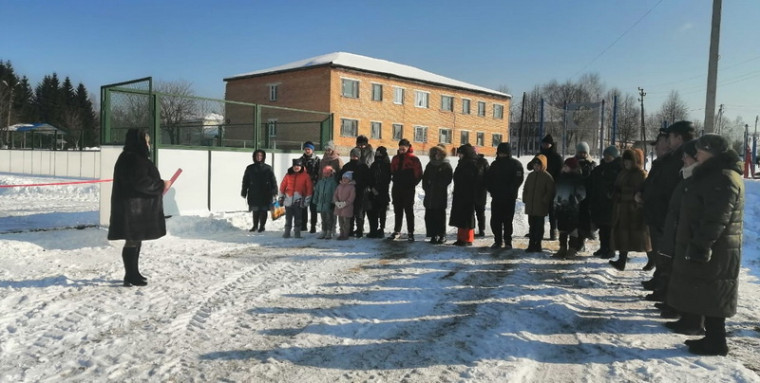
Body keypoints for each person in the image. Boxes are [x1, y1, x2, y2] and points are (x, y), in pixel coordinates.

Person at [666, 134, 743, 356]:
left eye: (700, 150)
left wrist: (702, 245)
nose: (696, 153)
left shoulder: (724, 178)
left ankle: (717, 342)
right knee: (709, 293)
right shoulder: (714, 175)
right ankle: (712, 339)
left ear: (711, 151)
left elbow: (716, 218)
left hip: (717, 248)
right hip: (714, 246)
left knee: (715, 293)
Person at [108, 128, 170, 287]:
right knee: (132, 241)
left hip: (134, 208)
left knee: (134, 240)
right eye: (147, 141)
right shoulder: (133, 159)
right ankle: (130, 274)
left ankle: (133, 273)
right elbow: (141, 183)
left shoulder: (130, 157)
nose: (148, 145)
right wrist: (161, 185)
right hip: (133, 209)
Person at [640, 121, 694, 299]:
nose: (665, 143)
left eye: (669, 138)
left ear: (678, 137)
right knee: (661, 252)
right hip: (660, 212)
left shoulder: (681, 157)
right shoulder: (670, 159)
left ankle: (667, 291)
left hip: (666, 213)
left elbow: (668, 187)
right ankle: (662, 284)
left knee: (667, 255)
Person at [657, 139, 705, 332]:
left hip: (690, 235)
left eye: (687, 156)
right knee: (680, 274)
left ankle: (692, 320)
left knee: (691, 279)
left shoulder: (699, 180)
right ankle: (684, 313)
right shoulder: (687, 177)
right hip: (679, 231)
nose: (683, 159)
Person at [609, 149, 651, 270]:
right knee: (623, 237)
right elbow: (618, 187)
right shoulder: (623, 173)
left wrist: (623, 195)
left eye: (629, 161)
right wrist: (613, 193)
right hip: (622, 210)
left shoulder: (640, 174)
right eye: (625, 161)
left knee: (642, 238)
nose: (627, 164)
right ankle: (621, 261)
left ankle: (652, 259)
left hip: (634, 211)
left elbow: (639, 192)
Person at [485, 142, 524, 250]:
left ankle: (508, 241)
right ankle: (497, 240)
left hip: (509, 197)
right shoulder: (494, 165)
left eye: (504, 153)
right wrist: (491, 189)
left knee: (507, 220)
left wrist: (511, 190)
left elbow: (518, 179)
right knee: (495, 220)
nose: (501, 155)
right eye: (500, 153)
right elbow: (488, 179)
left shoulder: (515, 164)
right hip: (497, 197)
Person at [588, 145, 622, 258]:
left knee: (610, 228)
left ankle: (610, 249)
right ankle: (603, 247)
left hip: (611, 203)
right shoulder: (600, 169)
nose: (607, 158)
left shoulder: (618, 169)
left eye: (610, 156)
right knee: (602, 227)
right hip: (600, 202)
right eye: (606, 156)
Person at [528, 134, 562, 240]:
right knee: (538, 210)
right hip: (539, 186)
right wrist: (534, 162)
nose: (545, 145)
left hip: (552, 186)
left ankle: (554, 230)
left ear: (551, 145)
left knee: (552, 210)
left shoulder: (557, 157)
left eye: (547, 144)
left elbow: (560, 174)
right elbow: (529, 166)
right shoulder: (539, 155)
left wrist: (556, 186)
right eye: (543, 144)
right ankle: (536, 230)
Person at [389, 138, 423, 241]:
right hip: (397, 187)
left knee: (409, 210)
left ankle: (410, 232)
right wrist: (393, 177)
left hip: (408, 188)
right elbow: (391, 170)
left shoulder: (414, 159)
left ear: (408, 148)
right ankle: (397, 230)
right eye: (400, 147)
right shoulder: (395, 158)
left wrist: (412, 183)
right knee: (397, 210)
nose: (401, 149)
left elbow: (419, 174)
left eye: (404, 147)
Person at [553, 157, 586, 259]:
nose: (564, 168)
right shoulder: (561, 177)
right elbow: (557, 190)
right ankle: (562, 248)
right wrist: (555, 201)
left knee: (572, 229)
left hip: (572, 208)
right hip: (561, 207)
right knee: (562, 228)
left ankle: (572, 248)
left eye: (566, 166)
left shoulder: (578, 178)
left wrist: (575, 199)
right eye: (564, 166)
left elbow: (582, 193)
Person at [449, 144, 481, 246]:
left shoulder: (472, 163)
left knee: (467, 217)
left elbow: (474, 180)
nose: (459, 156)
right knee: (460, 216)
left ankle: (468, 239)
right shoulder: (462, 162)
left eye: (460, 154)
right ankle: (460, 238)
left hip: (468, 194)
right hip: (460, 193)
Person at [522, 154, 555, 252]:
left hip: (540, 206)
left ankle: (538, 244)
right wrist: (525, 198)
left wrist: (544, 201)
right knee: (532, 226)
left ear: (543, 165)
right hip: (531, 206)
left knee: (539, 227)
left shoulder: (547, 177)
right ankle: (531, 244)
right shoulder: (531, 175)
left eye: (538, 165)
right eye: (534, 165)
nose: (536, 166)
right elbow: (526, 188)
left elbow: (550, 191)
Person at [241, 149, 278, 233]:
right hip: (254, 192)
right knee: (255, 210)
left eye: (261, 155)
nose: (259, 157)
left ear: (263, 157)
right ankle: (255, 226)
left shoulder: (268, 168)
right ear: (254, 157)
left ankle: (262, 226)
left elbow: (273, 180)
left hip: (266, 193)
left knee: (263, 210)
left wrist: (274, 191)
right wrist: (244, 191)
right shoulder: (250, 168)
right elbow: (245, 180)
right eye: (257, 155)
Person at [422, 145, 453, 244]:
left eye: (439, 153)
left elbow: (447, 179)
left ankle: (441, 235)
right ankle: (432, 235)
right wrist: (427, 187)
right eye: (435, 153)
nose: (437, 155)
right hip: (430, 195)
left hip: (440, 194)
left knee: (439, 215)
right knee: (429, 215)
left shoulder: (446, 165)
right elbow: (425, 178)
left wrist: (437, 184)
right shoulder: (430, 165)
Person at [278, 158, 313, 239]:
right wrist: (281, 197)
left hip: (299, 200)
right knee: (288, 218)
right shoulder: (288, 175)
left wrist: (307, 200)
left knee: (298, 218)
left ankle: (297, 233)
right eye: (295, 166)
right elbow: (282, 186)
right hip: (288, 200)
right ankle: (287, 232)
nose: (296, 167)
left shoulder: (306, 176)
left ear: (301, 166)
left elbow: (309, 189)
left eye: (298, 166)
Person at [340, 147, 370, 237]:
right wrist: (341, 181)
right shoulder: (347, 166)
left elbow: (367, 180)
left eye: (355, 156)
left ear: (359, 156)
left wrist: (357, 182)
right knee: (350, 212)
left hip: (360, 192)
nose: (353, 158)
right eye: (352, 156)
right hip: (348, 193)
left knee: (359, 212)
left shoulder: (363, 166)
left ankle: (360, 230)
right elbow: (339, 176)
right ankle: (350, 230)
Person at [574, 141, 596, 249]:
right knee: (574, 220)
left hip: (588, 196)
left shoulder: (592, 165)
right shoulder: (572, 163)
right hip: (575, 196)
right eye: (580, 152)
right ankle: (574, 242)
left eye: (584, 152)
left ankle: (581, 241)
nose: (582, 154)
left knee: (585, 220)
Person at [366, 146, 392, 238]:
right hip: (373, 192)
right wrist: (372, 188)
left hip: (383, 192)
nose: (378, 155)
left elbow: (386, 179)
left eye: (380, 153)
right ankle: (373, 229)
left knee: (382, 213)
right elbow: (370, 177)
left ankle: (381, 230)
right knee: (372, 212)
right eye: (377, 153)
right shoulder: (374, 165)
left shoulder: (387, 165)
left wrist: (378, 189)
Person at [299, 141, 321, 233]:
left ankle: (313, 226)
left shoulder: (317, 160)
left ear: (312, 150)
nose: (307, 151)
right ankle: (303, 225)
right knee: (303, 207)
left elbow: (320, 173)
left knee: (313, 207)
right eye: (306, 149)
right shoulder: (300, 160)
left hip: (313, 187)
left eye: (309, 149)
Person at [312, 166, 338, 239]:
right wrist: (315, 200)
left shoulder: (333, 182)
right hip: (321, 203)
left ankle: (330, 231)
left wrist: (333, 202)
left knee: (330, 218)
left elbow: (335, 193)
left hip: (329, 203)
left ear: (331, 173)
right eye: (324, 173)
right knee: (323, 218)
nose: (326, 174)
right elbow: (317, 191)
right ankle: (324, 230)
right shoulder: (320, 182)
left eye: (328, 173)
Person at [333, 171, 356, 241]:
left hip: (347, 207)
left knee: (346, 223)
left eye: (346, 178)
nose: (344, 179)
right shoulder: (339, 186)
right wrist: (337, 202)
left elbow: (351, 198)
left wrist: (344, 203)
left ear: (350, 179)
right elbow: (335, 195)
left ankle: (345, 235)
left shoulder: (352, 187)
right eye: (343, 178)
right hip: (339, 207)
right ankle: (341, 234)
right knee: (340, 222)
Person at [474, 149, 490, 237]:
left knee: (480, 212)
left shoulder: (483, 162)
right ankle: (469, 230)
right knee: (469, 212)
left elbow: (488, 175)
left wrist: (485, 186)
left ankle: (481, 230)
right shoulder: (468, 161)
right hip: (470, 191)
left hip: (480, 191)